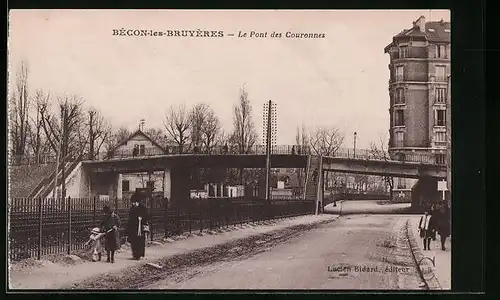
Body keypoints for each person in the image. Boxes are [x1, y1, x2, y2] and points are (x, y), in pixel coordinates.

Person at [127, 192, 150, 260]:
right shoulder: (132, 208)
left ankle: (139, 254)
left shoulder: (143, 208)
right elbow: (130, 217)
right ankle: (135, 254)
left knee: (140, 241)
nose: (133, 203)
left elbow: (147, 216)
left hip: (140, 227)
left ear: (137, 201)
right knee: (134, 241)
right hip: (133, 227)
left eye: (134, 202)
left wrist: (142, 218)